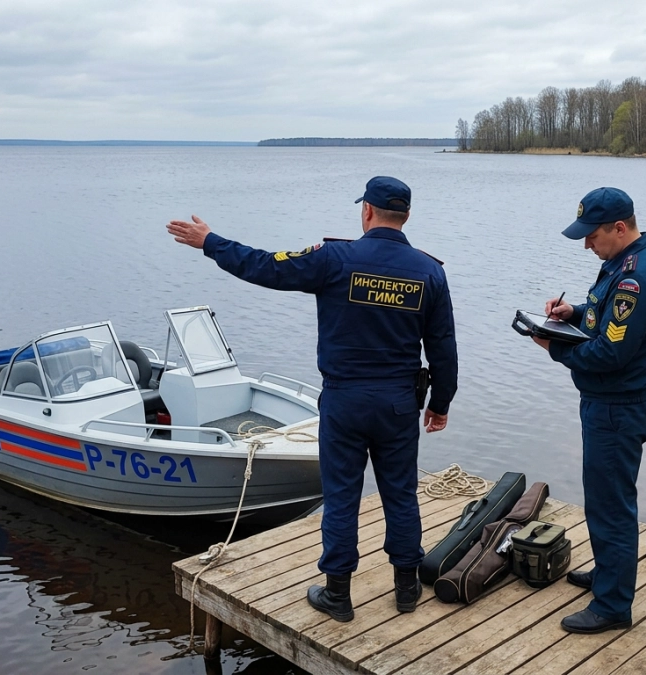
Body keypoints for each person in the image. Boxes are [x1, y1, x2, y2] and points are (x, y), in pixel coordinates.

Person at [165, 176, 458, 623]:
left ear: (366, 212)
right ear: (407, 216)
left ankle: (338, 595)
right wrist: (441, 402)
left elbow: (266, 266)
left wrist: (211, 242)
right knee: (401, 494)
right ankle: (406, 587)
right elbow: (444, 348)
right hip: (399, 404)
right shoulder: (429, 271)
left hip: (344, 403)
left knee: (342, 496)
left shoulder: (334, 259)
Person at [532, 187, 646, 634]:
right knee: (603, 498)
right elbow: (602, 318)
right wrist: (572, 313)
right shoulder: (622, 265)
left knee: (611, 505)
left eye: (592, 237)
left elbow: (610, 354)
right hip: (611, 404)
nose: (587, 245)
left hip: (617, 406)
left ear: (619, 228)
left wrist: (553, 346)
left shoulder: (637, 278)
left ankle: (613, 605)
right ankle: (609, 574)